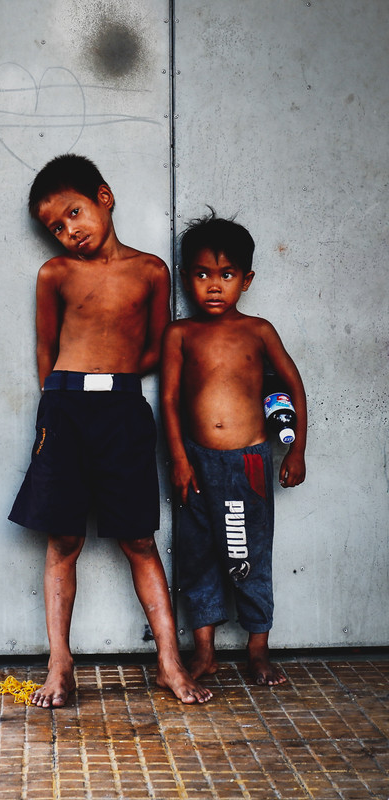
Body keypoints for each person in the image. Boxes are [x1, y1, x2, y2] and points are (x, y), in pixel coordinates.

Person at [8, 154, 212, 707]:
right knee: (64, 539)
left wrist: (114, 379)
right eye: (55, 227)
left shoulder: (150, 271)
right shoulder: (55, 275)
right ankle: (60, 662)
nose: (70, 231)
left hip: (123, 410)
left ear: (105, 197)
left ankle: (169, 662)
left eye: (74, 212)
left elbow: (157, 345)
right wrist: (57, 406)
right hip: (66, 410)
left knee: (140, 539)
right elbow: (45, 352)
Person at [161, 212, 306, 686]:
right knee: (197, 554)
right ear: (187, 279)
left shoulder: (258, 330)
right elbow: (168, 400)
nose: (214, 286)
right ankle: (204, 652)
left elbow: (294, 386)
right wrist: (180, 459)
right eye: (202, 274)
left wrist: (297, 449)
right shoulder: (180, 334)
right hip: (197, 462)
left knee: (249, 555)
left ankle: (258, 650)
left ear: (247, 279)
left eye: (226, 275)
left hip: (248, 463)